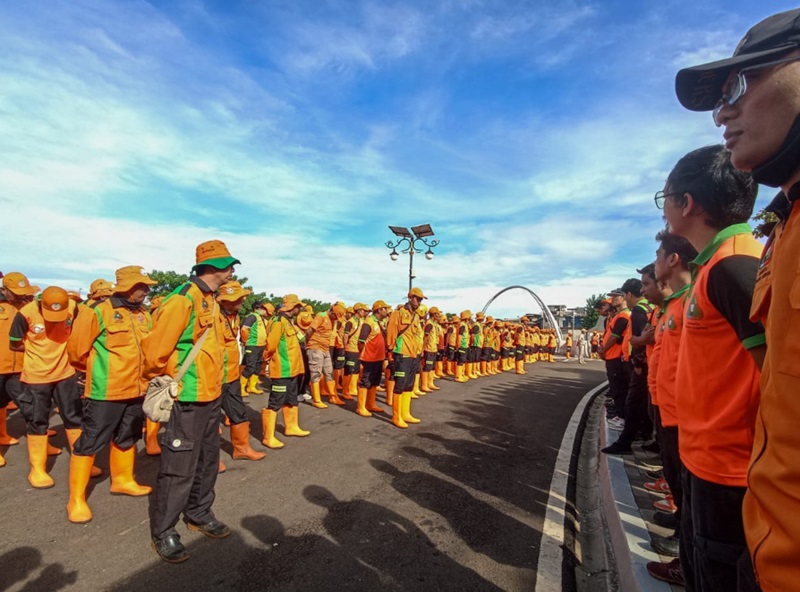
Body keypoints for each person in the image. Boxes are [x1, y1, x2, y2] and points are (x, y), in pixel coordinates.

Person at [676, 9, 800, 592]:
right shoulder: (782, 234)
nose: (724, 111)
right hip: (765, 528)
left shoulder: (734, 265)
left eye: (741, 84)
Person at [657, 145, 764, 591]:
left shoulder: (734, 266)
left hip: (731, 468)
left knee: (718, 572)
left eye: (664, 198)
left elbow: (775, 370)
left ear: (687, 203)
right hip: (708, 457)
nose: (663, 211)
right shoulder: (714, 267)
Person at [143, 239, 239, 564]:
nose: (233, 270)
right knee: (178, 467)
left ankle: (199, 512)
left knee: (207, 459)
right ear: (213, 268)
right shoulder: (181, 300)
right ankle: (165, 531)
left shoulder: (209, 299)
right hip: (187, 397)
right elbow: (155, 352)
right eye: (229, 265)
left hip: (210, 395)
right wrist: (174, 381)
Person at [65, 266, 157, 524]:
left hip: (137, 389)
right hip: (105, 391)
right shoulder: (97, 311)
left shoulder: (143, 314)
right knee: (91, 441)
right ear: (128, 286)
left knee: (128, 435)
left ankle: (123, 480)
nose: (147, 290)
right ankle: (76, 499)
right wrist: (100, 372)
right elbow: (76, 352)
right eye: (143, 286)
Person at [10, 285, 81, 488]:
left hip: (65, 373)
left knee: (74, 418)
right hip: (36, 375)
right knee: (38, 419)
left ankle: (80, 459)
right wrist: (37, 349)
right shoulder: (26, 313)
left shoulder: (74, 307)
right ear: (41, 303)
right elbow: (14, 343)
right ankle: (37, 470)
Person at [216, 280, 265, 462]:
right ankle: (210, 460)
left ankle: (242, 449)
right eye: (239, 298)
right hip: (213, 377)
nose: (243, 301)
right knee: (209, 419)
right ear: (226, 300)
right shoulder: (212, 315)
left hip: (231, 375)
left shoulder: (234, 315)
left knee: (239, 412)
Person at [261, 294, 311, 449]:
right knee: (275, 402)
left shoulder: (289, 322)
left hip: (293, 370)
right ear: (291, 307)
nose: (299, 309)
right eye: (298, 306)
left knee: (291, 399)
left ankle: (291, 427)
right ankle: (268, 437)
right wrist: (267, 364)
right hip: (281, 370)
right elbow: (270, 346)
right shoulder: (278, 322)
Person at [0, 273, 39, 468]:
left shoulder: (26, 308)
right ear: (4, 289)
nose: (18, 296)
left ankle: (39, 443)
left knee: (29, 405)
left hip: (20, 368)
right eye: (15, 293)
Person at [386, 288, 426, 428]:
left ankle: (405, 413)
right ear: (410, 297)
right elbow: (391, 330)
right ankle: (396, 416)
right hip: (401, 354)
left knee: (409, 385)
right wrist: (390, 350)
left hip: (413, 354)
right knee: (400, 384)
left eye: (421, 300)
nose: (419, 302)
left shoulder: (416, 316)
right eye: (418, 299)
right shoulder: (398, 313)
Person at [305, 304, 346, 408]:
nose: (337, 319)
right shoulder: (321, 316)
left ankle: (333, 396)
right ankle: (316, 400)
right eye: (336, 316)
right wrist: (308, 346)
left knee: (329, 372)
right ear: (332, 313)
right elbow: (309, 331)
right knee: (316, 373)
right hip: (315, 348)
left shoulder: (333, 320)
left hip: (325, 348)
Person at [355, 300, 390, 417]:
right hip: (369, 358)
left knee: (374, 382)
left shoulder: (379, 322)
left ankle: (371, 404)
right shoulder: (369, 322)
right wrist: (363, 353)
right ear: (379, 310)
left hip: (378, 357)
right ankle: (361, 407)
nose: (387, 311)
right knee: (365, 381)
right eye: (385, 308)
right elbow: (361, 341)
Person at [240, 302, 268, 395]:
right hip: (253, 345)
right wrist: (245, 341)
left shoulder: (262, 319)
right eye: (263, 308)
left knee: (257, 366)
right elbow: (244, 329)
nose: (265, 311)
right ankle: (241, 388)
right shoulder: (253, 316)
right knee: (250, 366)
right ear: (257, 308)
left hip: (260, 345)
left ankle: (251, 387)